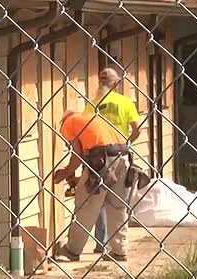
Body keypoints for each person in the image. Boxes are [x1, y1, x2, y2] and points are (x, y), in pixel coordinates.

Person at [53, 110, 130, 262]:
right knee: (117, 205)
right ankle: (120, 251)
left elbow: (78, 154)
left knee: (86, 205)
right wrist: (81, 178)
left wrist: (65, 172)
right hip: (123, 155)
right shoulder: (94, 118)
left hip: (102, 159)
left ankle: (72, 250)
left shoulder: (69, 123)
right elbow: (99, 150)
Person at [85, 67, 141, 254]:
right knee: (118, 201)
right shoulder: (125, 102)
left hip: (99, 156)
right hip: (120, 153)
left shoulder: (93, 103)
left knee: (98, 197)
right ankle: (118, 246)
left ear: (100, 83)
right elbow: (137, 129)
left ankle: (101, 243)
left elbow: (86, 129)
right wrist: (127, 143)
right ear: (116, 83)